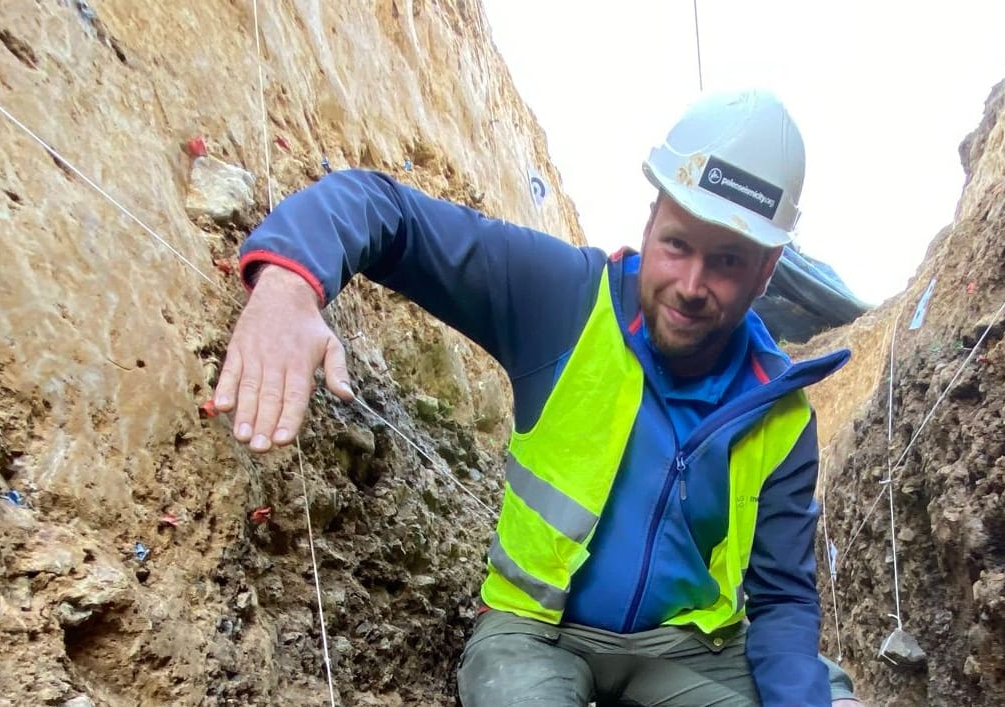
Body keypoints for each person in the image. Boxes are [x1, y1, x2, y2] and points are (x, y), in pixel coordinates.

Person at [212, 89, 862, 706]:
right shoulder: (564, 300)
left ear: (765, 271)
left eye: (726, 261)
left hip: (684, 651)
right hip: (532, 632)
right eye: (676, 244)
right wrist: (289, 287)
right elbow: (383, 209)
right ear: (651, 218)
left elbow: (780, 602)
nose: (691, 284)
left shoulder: (778, 411)